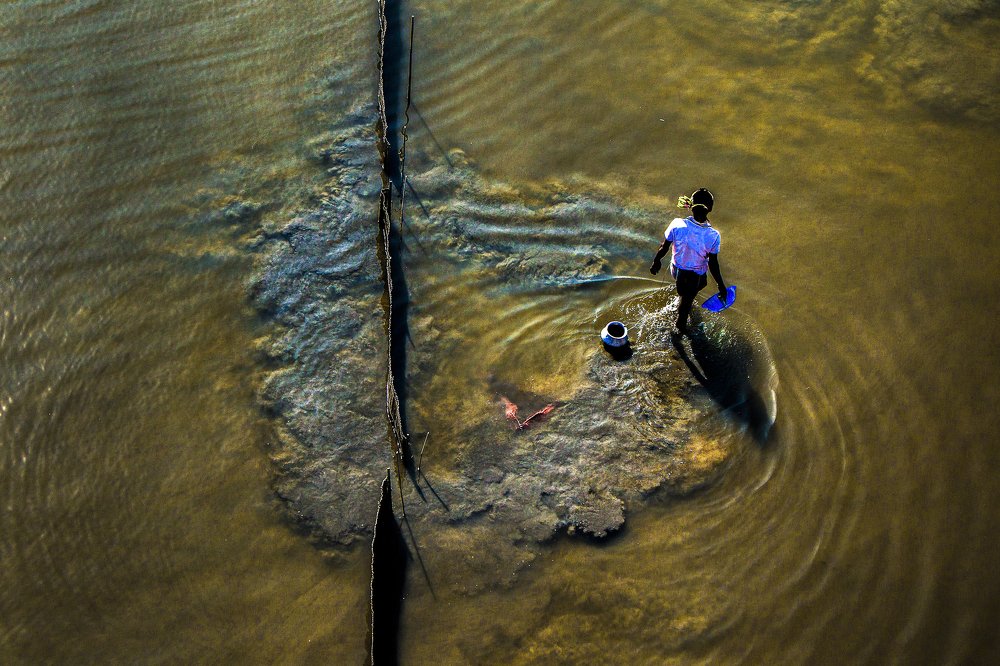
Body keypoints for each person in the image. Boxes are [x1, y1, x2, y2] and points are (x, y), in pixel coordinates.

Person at [649, 187, 728, 334]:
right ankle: (680, 335)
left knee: (692, 290)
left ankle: (684, 300)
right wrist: (721, 285)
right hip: (693, 276)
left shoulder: (677, 224)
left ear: (690, 205)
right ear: (710, 208)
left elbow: (664, 246)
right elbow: (713, 264)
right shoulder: (713, 235)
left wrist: (656, 262)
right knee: (684, 311)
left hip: (676, 270)